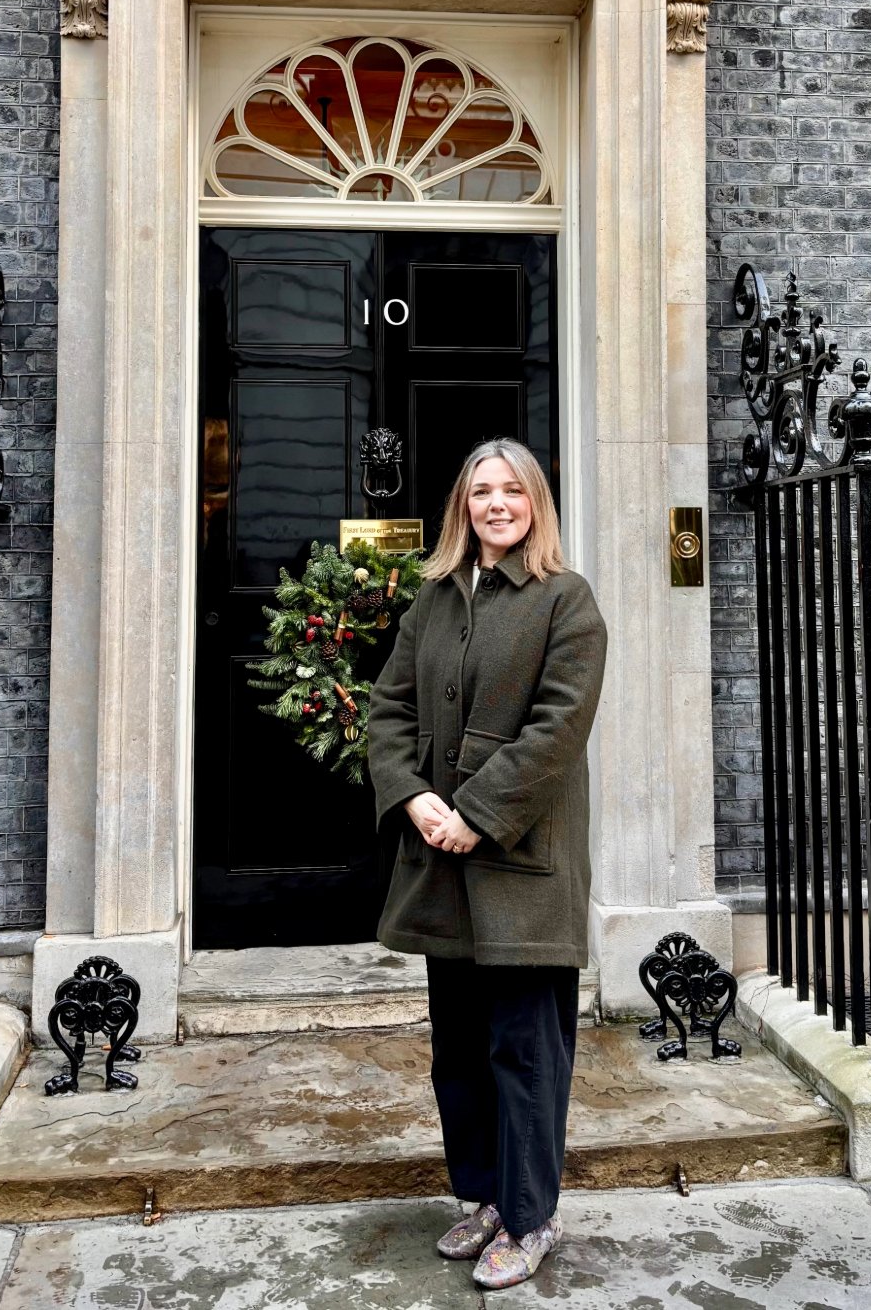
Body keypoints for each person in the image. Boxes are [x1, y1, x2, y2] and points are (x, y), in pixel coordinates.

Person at [367, 438, 607, 1290]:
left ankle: (532, 1214)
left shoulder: (566, 602)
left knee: (525, 1051)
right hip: (441, 864)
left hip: (521, 869)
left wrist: (477, 811)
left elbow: (556, 731)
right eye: (480, 492)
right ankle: (485, 1198)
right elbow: (388, 708)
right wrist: (412, 796)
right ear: (461, 506)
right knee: (459, 1052)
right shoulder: (434, 598)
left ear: (536, 502)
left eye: (511, 491)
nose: (495, 504)